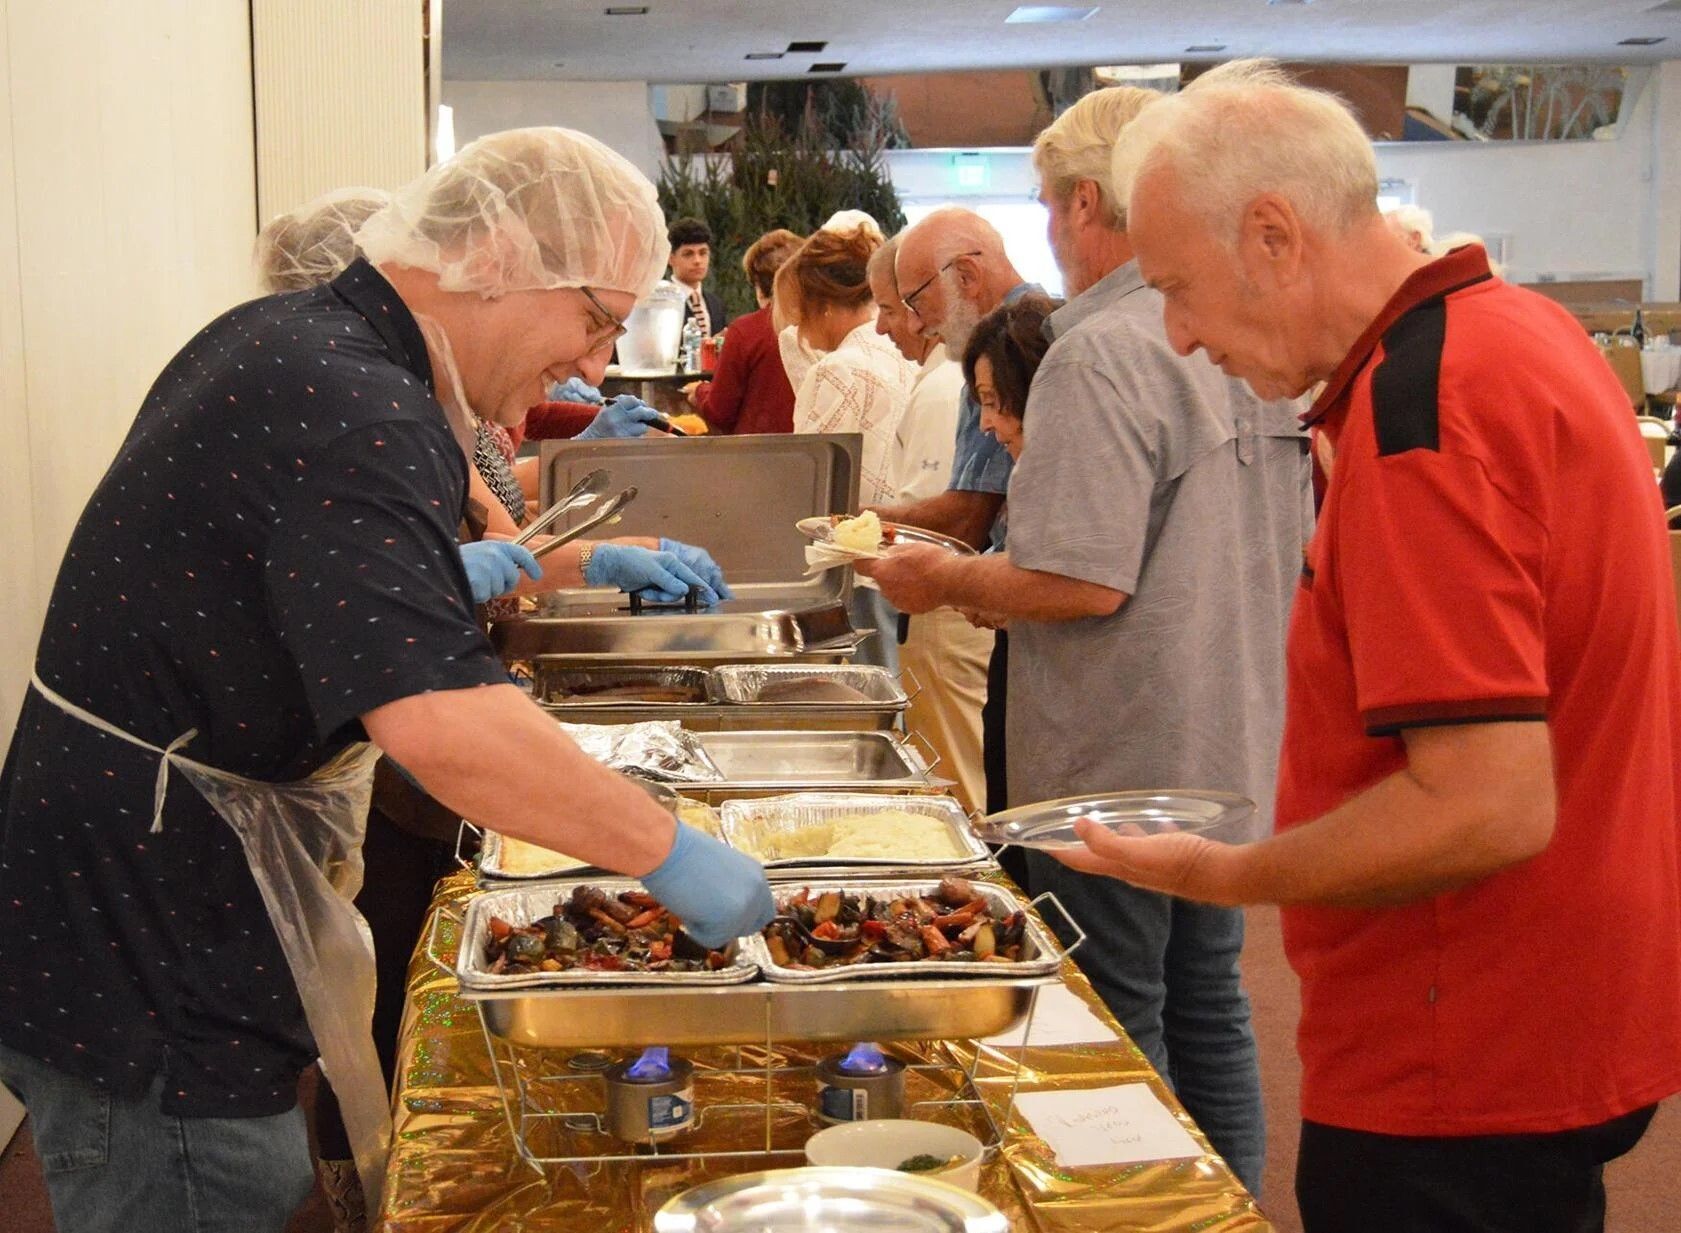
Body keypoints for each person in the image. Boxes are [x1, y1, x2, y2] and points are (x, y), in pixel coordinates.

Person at [0, 127, 774, 1233]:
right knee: (203, 1188)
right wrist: (670, 850)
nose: (595, 368)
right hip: (147, 932)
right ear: (501, 257)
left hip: (136, 884)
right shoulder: (356, 402)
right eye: (597, 322)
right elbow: (442, 726)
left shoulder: (294, 340)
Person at [1085, 60, 1681, 1232]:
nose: (1181, 336)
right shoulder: (1518, 331)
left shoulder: (1427, 415)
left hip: (1460, 1043)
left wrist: (1225, 875)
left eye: (1178, 289)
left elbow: (1486, 805)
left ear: (1271, 236)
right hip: (1559, 1002)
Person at [860, 86, 1314, 1198]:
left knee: (1112, 1011)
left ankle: (1151, 1212)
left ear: (1082, 201)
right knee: (1210, 1000)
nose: (1045, 238)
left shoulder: (1099, 347)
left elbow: (1077, 578)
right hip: (1227, 728)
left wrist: (939, 576)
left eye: (1046, 209)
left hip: (1114, 752)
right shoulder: (1245, 332)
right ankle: (1226, 1208)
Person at [878, 208, 1043, 816]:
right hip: (1010, 610)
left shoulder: (1013, 343)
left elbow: (972, 517)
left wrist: (861, 525)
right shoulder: (1004, 339)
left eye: (915, 301)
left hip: (1025, 624)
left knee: (1003, 806)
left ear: (967, 275)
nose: (917, 323)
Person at [865, 231, 991, 813]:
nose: (884, 328)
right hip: (945, 604)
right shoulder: (941, 380)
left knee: (959, 779)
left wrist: (855, 523)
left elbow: (957, 517)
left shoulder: (948, 385)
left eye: (891, 310)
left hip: (952, 607)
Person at [777, 219, 915, 672]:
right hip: (902, 552)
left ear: (823, 306)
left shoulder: (838, 369)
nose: (798, 327)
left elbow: (809, 480)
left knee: (865, 694)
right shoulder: (898, 353)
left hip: (853, 566)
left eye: (800, 312)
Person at [685, 227, 801, 434]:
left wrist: (700, 392)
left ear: (758, 284)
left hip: (756, 455)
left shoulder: (746, 331)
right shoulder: (825, 326)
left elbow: (720, 411)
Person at [668, 215, 728, 337]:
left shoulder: (715, 303)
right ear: (671, 259)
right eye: (688, 254)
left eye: (703, 253)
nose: (697, 260)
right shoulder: (662, 302)